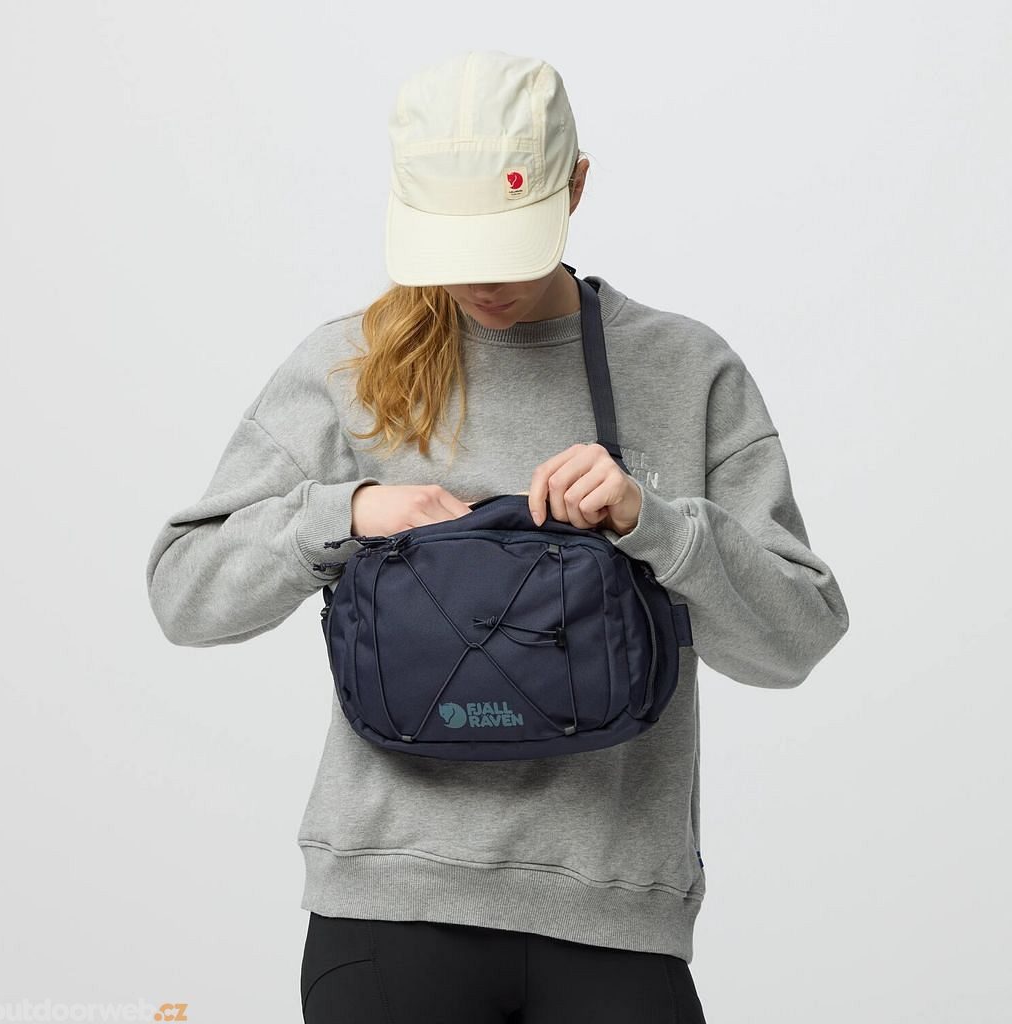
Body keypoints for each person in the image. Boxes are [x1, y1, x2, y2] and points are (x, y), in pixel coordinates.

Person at [145, 49, 849, 1023]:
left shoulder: (685, 371)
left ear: (577, 186)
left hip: (617, 919)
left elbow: (797, 636)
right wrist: (345, 514)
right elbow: (183, 593)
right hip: (387, 917)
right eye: (453, 243)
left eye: (507, 242)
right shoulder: (348, 367)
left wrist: (655, 526)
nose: (481, 278)